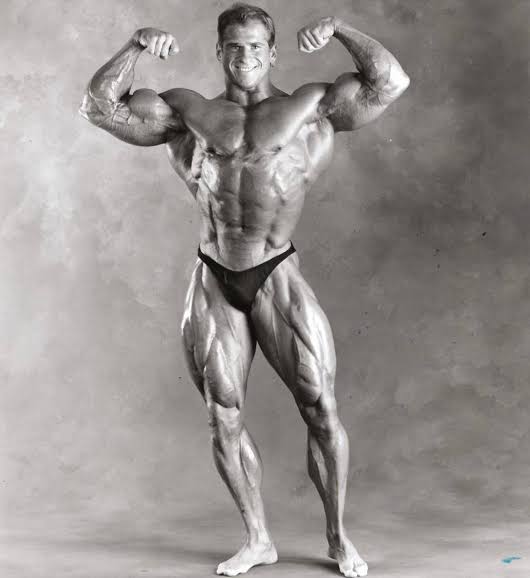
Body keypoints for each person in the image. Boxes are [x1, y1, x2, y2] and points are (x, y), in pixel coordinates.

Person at [80, 4, 409, 576]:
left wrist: (340, 30)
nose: (245, 56)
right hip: (213, 274)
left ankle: (338, 537)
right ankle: (258, 539)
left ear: (272, 52)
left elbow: (389, 83)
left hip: (275, 269)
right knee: (223, 415)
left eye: (256, 46)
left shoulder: (311, 106)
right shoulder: (187, 111)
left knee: (320, 407)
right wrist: (134, 44)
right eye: (234, 46)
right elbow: (98, 107)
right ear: (219, 52)